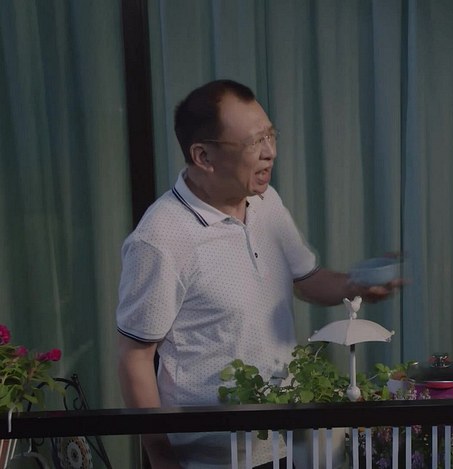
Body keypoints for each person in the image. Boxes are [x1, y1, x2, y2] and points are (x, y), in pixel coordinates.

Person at [116, 79, 400, 468]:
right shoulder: (160, 238)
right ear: (203, 155)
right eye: (254, 142)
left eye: (270, 135)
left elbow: (307, 279)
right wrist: (162, 460)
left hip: (286, 444)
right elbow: (135, 357)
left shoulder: (265, 202)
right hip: (212, 459)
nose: (271, 152)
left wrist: (357, 285)